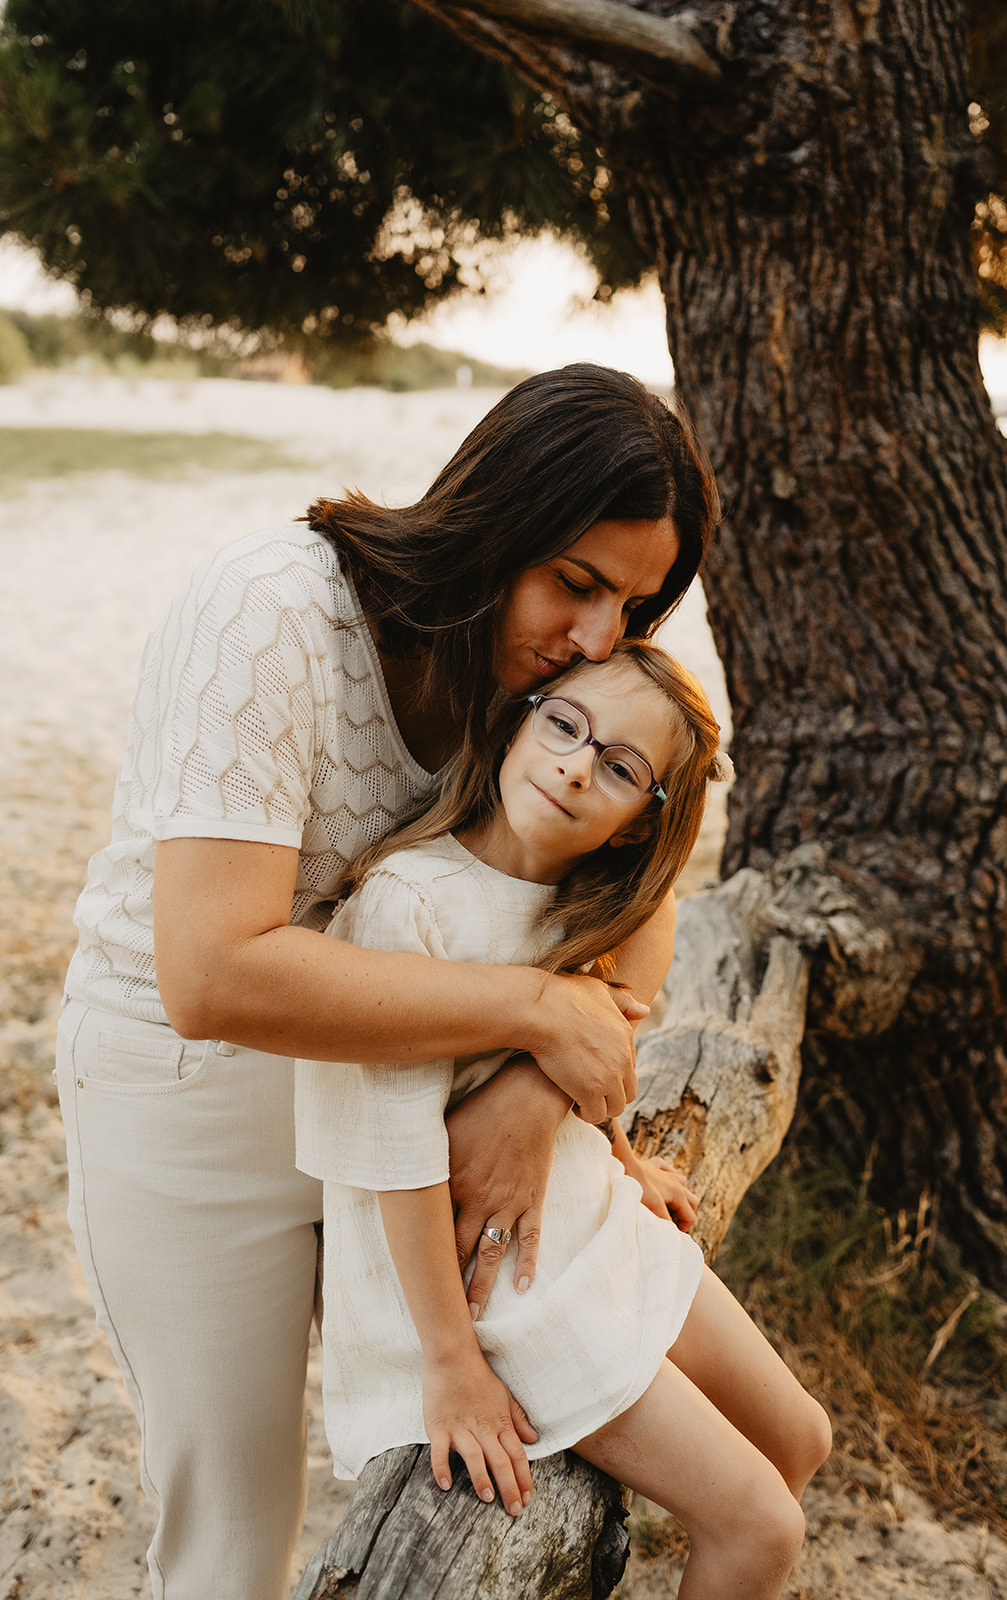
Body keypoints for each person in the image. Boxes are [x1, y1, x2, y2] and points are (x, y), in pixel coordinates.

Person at [54, 364, 720, 1600]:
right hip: (190, 1092)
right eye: (575, 580)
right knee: (234, 1533)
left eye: (628, 605)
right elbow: (212, 972)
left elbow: (638, 898)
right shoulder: (267, 609)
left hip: (414, 1095)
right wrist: (531, 1014)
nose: (590, 638)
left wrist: (534, 1090)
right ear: (495, 510)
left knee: (488, 1454)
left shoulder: (537, 679)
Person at [298, 641, 832, 1600]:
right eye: (564, 724)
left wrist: (627, 1159)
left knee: (802, 1437)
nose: (578, 763)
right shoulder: (408, 905)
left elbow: (570, 1068)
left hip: (589, 1218)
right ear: (522, 719)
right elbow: (388, 1151)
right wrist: (453, 1364)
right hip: (489, 1291)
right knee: (762, 1530)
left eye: (622, 767)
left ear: (640, 822)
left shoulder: (582, 901)